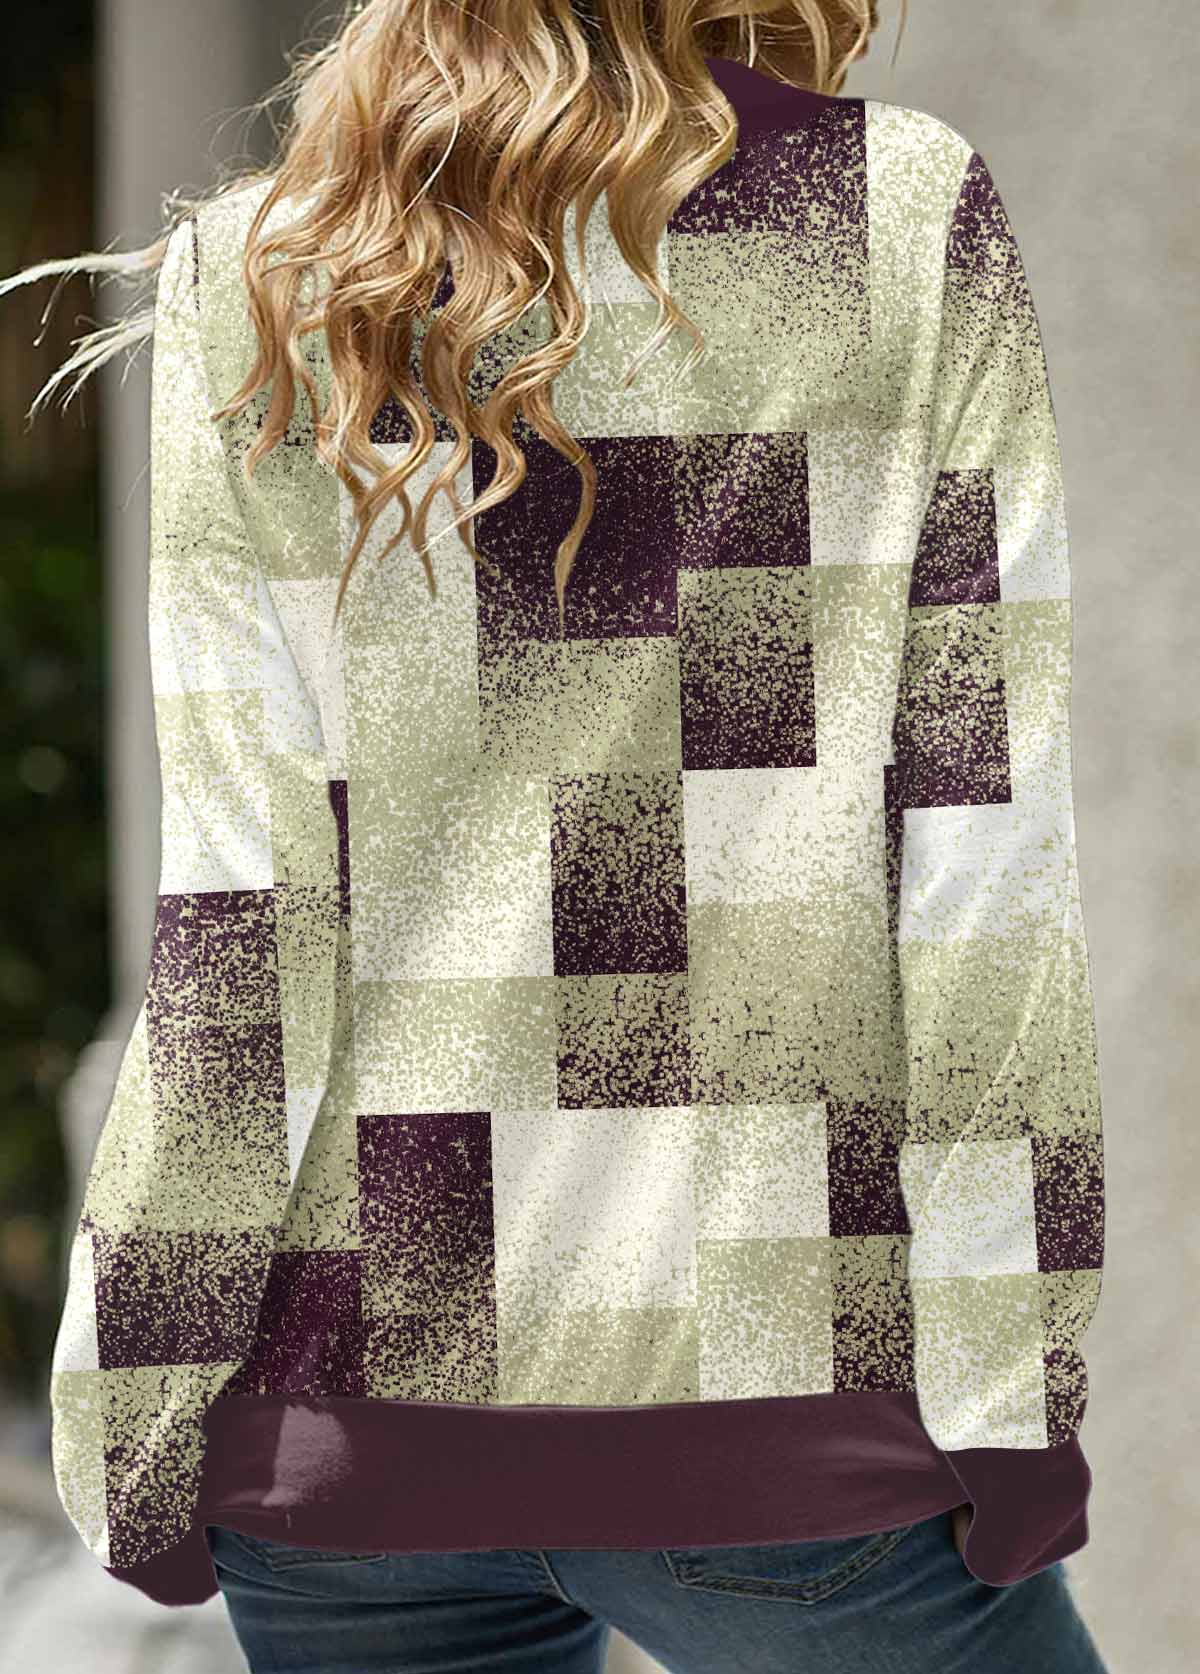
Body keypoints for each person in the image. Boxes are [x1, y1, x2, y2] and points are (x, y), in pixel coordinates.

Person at [6, 2, 1109, 1669]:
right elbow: (978, 862)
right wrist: (1011, 1385)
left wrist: (140, 1396)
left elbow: (245, 915)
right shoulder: (888, 214)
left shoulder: (266, 268)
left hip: (349, 1442)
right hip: (783, 1417)